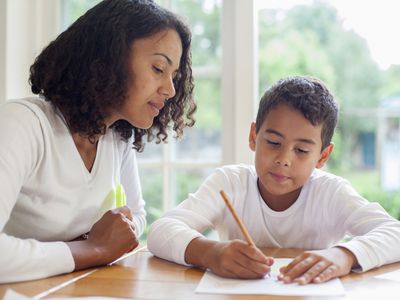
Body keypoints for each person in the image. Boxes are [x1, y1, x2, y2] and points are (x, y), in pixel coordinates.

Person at [0, 0, 195, 283]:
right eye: (158, 68)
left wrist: (98, 243)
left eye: (174, 76)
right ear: (108, 58)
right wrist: (92, 248)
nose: (170, 89)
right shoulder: (23, 124)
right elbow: (105, 244)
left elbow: (135, 218)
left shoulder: (117, 137)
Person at [148, 75, 400, 285]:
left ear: (323, 156)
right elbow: (160, 231)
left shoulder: (331, 193)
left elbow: (395, 233)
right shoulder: (230, 183)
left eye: (301, 150)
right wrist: (210, 253)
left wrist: (344, 255)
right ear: (253, 136)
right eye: (273, 143)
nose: (284, 159)